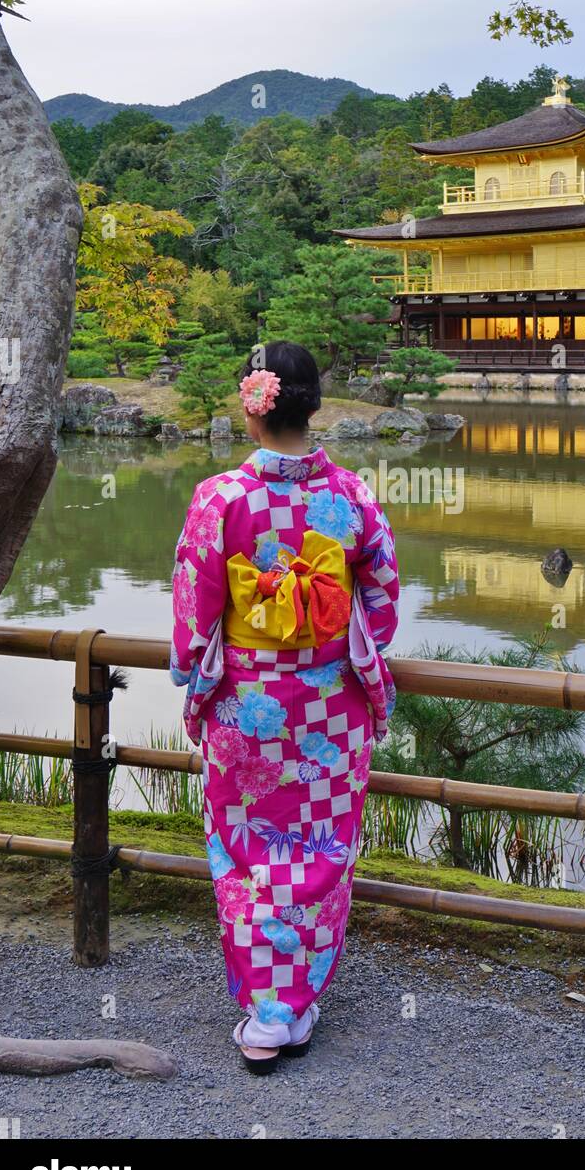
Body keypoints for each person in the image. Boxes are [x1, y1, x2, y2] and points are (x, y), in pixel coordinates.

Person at [170, 341, 399, 1072]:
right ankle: (295, 1002)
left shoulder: (221, 498)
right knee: (322, 851)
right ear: (312, 404)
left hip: (247, 707)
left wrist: (194, 665)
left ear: (253, 404)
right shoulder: (353, 495)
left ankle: (268, 1008)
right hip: (332, 707)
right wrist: (327, 633)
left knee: (245, 851)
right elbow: (383, 597)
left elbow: (194, 612)